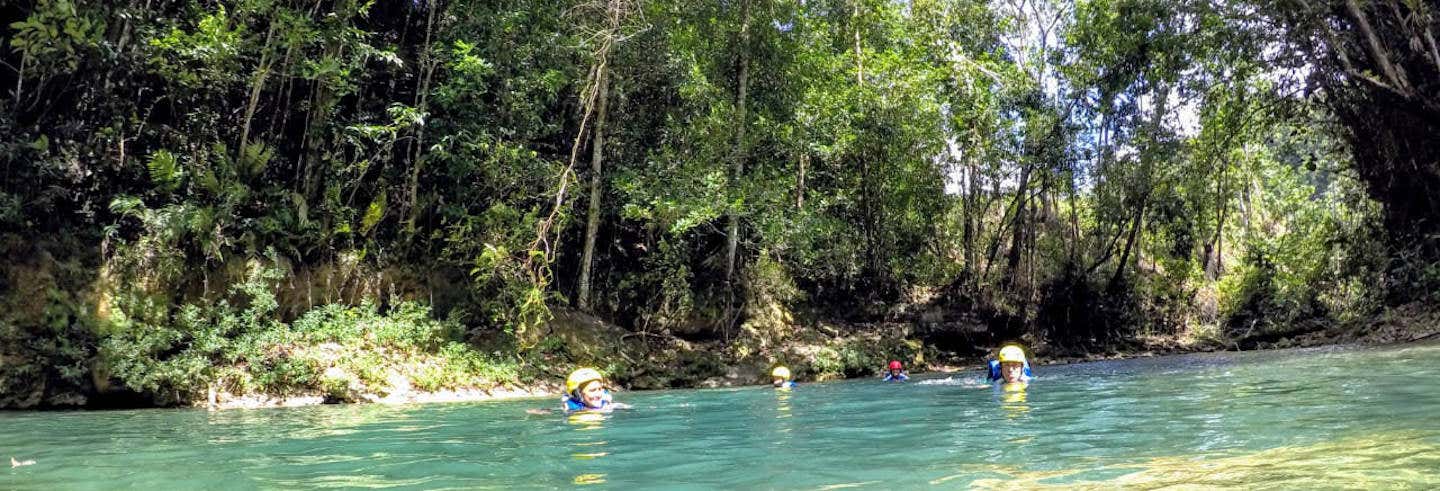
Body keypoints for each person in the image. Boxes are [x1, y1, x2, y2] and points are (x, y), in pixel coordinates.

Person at [561, 367, 626, 412]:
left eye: (600, 389)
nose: (598, 394)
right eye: (592, 390)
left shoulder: (608, 405)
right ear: (578, 394)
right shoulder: (571, 409)